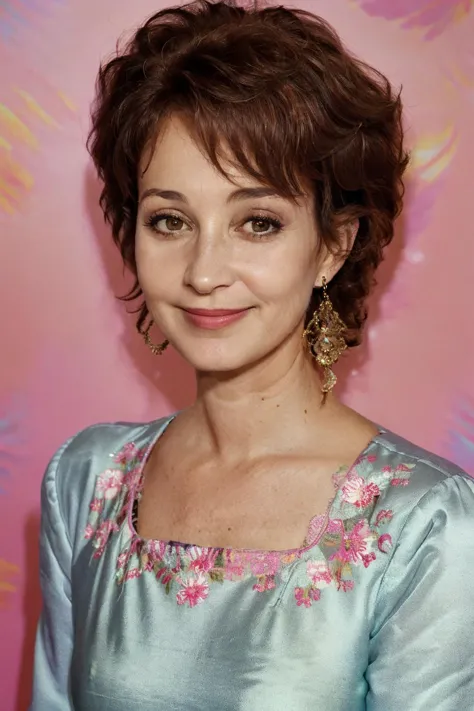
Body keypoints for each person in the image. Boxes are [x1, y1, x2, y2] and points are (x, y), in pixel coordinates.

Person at [30, 1, 474, 709]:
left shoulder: (426, 525)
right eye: (169, 220)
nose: (205, 270)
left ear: (334, 243)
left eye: (257, 222)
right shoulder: (86, 484)